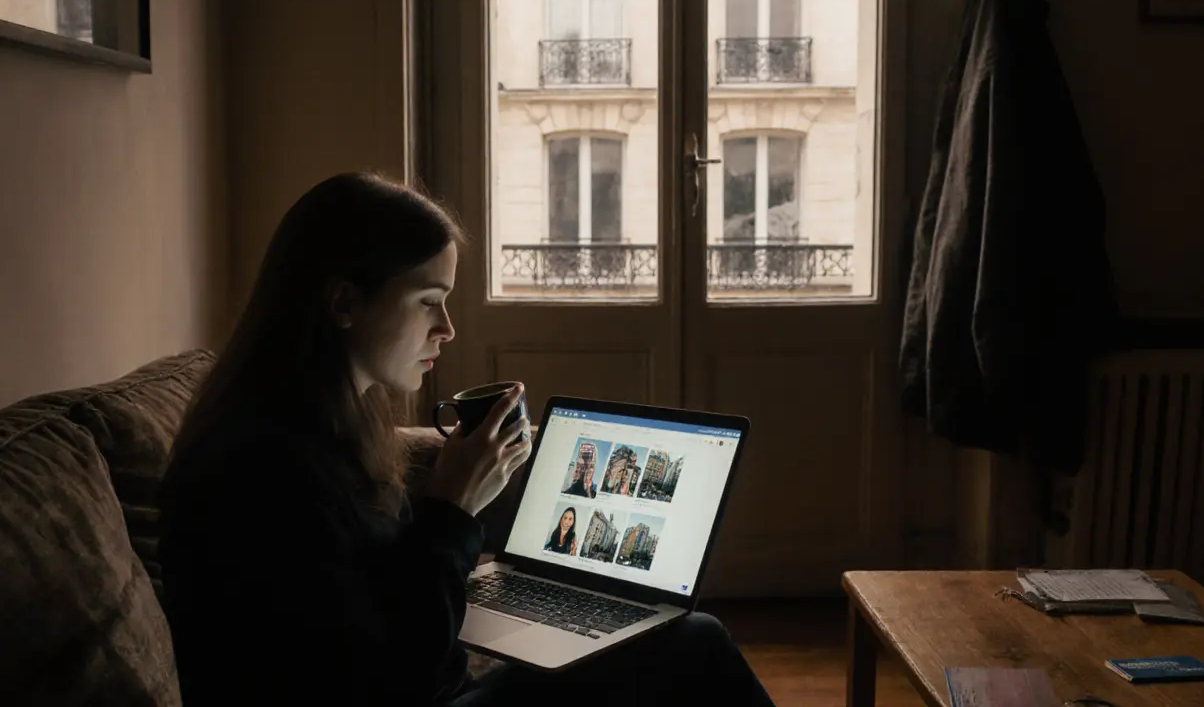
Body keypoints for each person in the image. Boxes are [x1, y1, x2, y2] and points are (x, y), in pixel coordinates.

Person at [157, 172, 775, 707]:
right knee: (695, 643)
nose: (447, 329)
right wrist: (451, 510)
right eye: (429, 302)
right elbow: (391, 678)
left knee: (659, 641)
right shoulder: (264, 467)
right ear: (344, 301)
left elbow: (377, 599)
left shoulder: (323, 421)